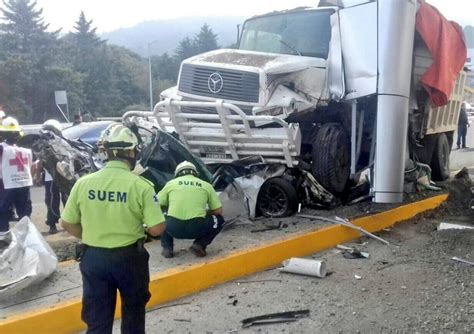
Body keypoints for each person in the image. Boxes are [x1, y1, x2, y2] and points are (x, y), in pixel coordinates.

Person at [60, 122, 165, 334]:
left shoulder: (84, 183)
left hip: (93, 258)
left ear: (106, 152)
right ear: (129, 152)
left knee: (97, 319)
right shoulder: (140, 186)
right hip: (129, 260)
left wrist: (91, 235)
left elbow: (67, 222)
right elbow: (157, 229)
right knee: (133, 315)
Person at [158, 160, 224, 258]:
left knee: (159, 215)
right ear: (195, 173)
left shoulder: (170, 184)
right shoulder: (206, 185)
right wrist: (205, 213)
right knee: (219, 220)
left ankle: (167, 248)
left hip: (173, 228)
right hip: (197, 228)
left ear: (177, 174)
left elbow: (156, 205)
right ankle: (200, 244)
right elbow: (218, 211)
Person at [0, 117, 33, 251]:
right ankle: (26, 241)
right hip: (24, 184)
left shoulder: (2, 149)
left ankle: (3, 240)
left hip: (6, 185)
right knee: (24, 214)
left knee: (2, 212)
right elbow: (31, 166)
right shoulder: (25, 151)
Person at [32, 119, 68, 234]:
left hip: (62, 177)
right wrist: (37, 175)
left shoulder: (63, 143)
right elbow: (40, 161)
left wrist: (37, 175)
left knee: (66, 200)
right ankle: (52, 223)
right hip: (51, 178)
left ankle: (68, 222)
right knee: (53, 201)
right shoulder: (44, 144)